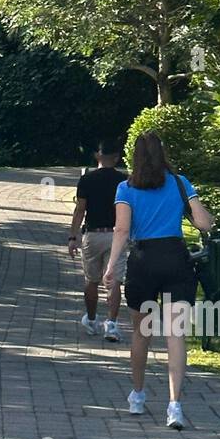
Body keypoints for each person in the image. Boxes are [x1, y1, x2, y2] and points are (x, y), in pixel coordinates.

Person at [104, 130, 214, 429]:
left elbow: (121, 231)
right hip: (176, 259)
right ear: (162, 153)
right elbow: (204, 222)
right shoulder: (180, 183)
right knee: (175, 335)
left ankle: (137, 396)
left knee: (141, 334)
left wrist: (112, 266)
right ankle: (175, 406)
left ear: (134, 157)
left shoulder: (125, 188)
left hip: (143, 261)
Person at [67, 139, 128, 341]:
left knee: (91, 280)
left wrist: (73, 236)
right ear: (117, 157)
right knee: (114, 282)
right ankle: (111, 324)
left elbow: (79, 210)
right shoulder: (124, 181)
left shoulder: (87, 180)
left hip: (93, 234)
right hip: (116, 234)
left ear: (97, 156)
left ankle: (92, 320)